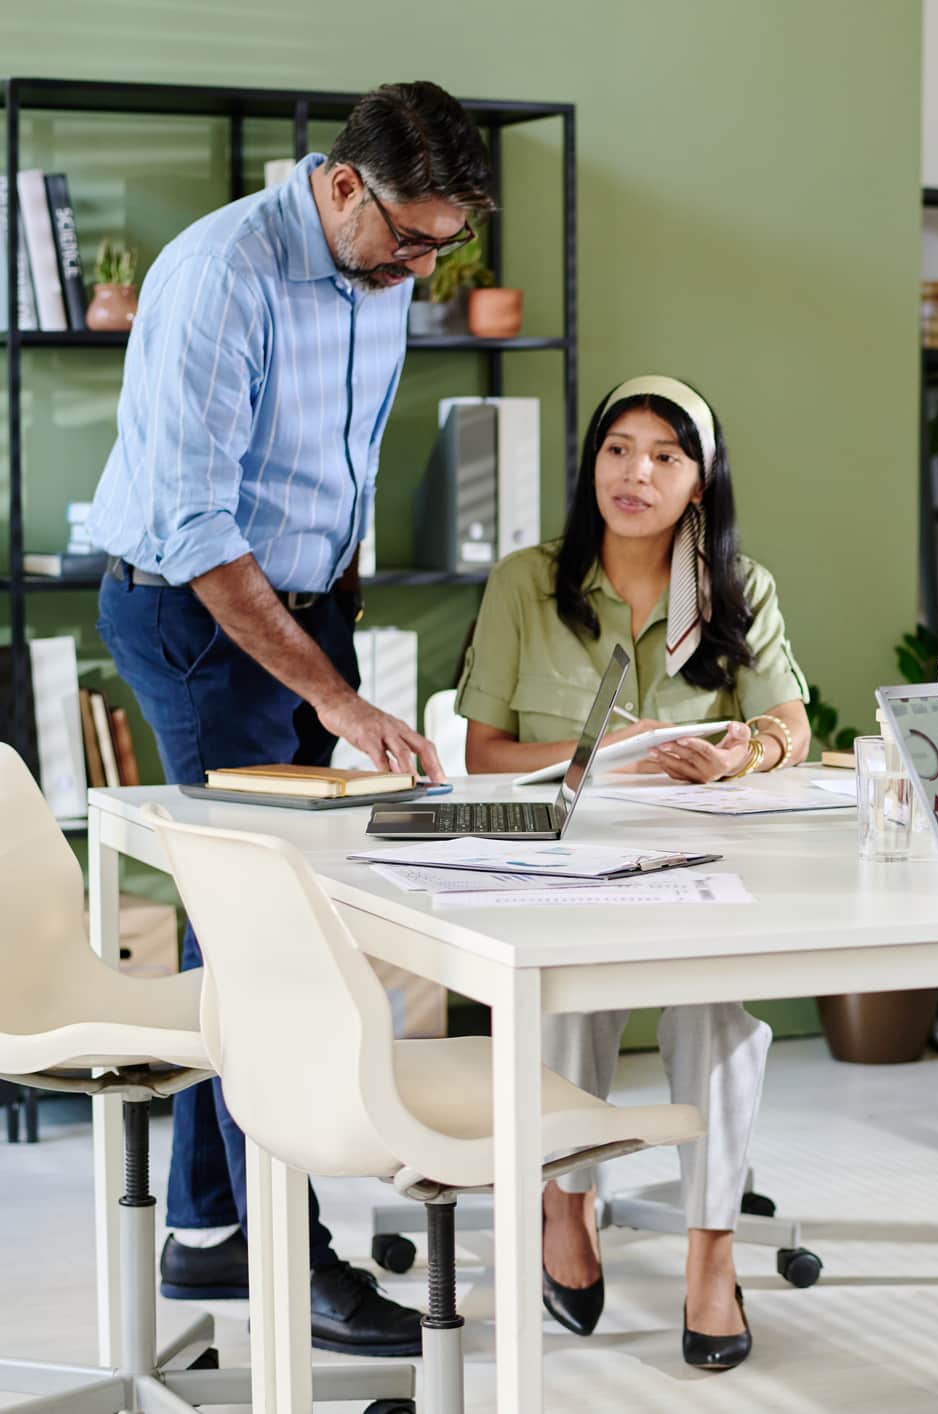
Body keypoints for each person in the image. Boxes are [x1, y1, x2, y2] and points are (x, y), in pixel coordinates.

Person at [88, 81, 493, 1357]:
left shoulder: (379, 271)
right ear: (339, 185)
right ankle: (282, 1249)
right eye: (411, 240)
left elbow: (343, 451)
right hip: (202, 622)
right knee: (266, 937)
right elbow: (204, 532)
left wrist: (338, 632)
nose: (425, 268)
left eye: (446, 246)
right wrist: (331, 690)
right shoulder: (221, 278)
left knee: (261, 924)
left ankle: (210, 1224)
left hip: (306, 612)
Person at [455, 374, 811, 1370]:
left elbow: (792, 723)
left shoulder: (741, 587)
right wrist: (595, 751)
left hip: (699, 860)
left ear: (699, 482)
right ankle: (565, 1199)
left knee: (716, 1013)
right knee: (571, 997)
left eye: (664, 454)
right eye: (618, 449)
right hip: (559, 861)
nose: (636, 471)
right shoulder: (529, 581)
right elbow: (481, 750)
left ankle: (712, 1251)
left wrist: (742, 754)